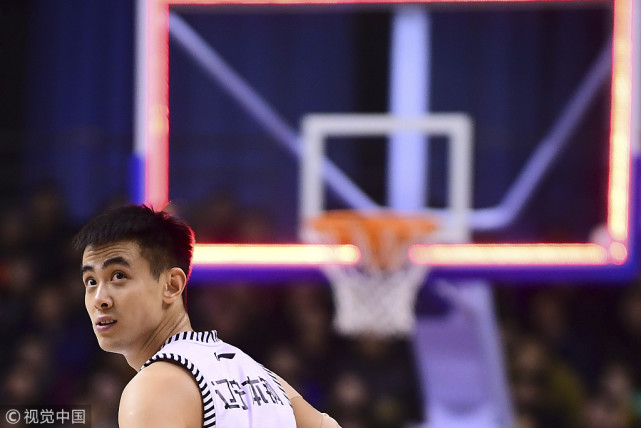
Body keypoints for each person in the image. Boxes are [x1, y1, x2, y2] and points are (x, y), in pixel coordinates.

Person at [73, 204, 340, 428]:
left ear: (172, 285)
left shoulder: (153, 387)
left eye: (118, 276)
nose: (100, 299)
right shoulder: (259, 375)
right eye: (91, 281)